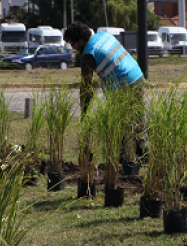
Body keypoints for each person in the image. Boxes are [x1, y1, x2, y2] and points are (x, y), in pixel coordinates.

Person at [63, 22, 147, 156]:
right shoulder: (104, 35)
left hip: (120, 85)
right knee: (138, 117)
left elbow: (86, 87)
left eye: (73, 44)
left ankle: (121, 158)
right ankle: (144, 151)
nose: (74, 48)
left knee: (118, 122)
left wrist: (84, 113)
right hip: (137, 76)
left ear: (80, 40)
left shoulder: (88, 54)